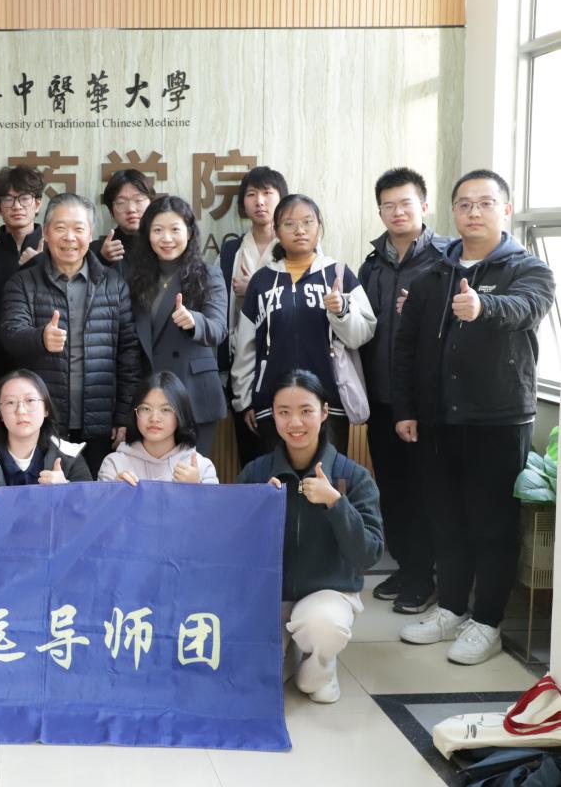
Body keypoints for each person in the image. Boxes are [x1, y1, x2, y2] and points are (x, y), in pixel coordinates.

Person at [395, 170, 555, 665]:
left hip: (499, 419)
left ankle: (487, 621)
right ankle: (450, 608)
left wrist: (484, 306)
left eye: (485, 203)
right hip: (439, 418)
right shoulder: (432, 274)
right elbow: (406, 346)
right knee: (446, 520)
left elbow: (528, 307)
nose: (473, 212)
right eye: (464, 204)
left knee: (492, 525)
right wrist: (406, 409)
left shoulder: (529, 268)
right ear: (453, 212)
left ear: (505, 210)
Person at [238, 370, 383, 704]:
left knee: (322, 629)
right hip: (270, 596)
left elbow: (369, 554)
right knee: (253, 683)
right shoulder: (257, 473)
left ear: (324, 411)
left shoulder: (351, 476)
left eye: (306, 410)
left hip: (328, 595)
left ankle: (320, 663)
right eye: (283, 412)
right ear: (273, 415)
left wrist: (336, 504)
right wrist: (257, 508)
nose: (295, 423)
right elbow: (232, 547)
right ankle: (287, 652)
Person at [0, 192, 141, 476]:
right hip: (44, 424)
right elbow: (10, 334)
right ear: (46, 232)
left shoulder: (113, 285)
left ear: (90, 234)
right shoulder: (23, 282)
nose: (69, 237)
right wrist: (40, 338)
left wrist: (124, 414)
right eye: (61, 228)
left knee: (96, 496)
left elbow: (128, 353)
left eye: (78, 228)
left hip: (100, 424)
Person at [358, 167, 448, 615]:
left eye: (405, 203)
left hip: (426, 402)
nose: (397, 212)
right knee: (392, 490)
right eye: (388, 205)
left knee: (424, 491)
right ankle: (407, 566)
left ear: (423, 206)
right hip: (381, 397)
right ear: (380, 212)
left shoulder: (445, 259)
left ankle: (423, 577)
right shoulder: (371, 264)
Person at [230, 193, 375, 457]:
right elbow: (245, 347)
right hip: (272, 403)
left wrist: (342, 310)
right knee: (277, 478)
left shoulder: (339, 274)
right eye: (290, 224)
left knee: (325, 477)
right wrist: (244, 400)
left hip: (328, 403)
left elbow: (363, 334)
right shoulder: (261, 281)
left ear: (319, 227)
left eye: (308, 222)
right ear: (276, 231)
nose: (300, 230)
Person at [127, 195, 227, 456]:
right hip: (149, 396)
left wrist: (195, 321)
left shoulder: (208, 274)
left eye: (175, 229)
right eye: (158, 230)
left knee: (191, 474)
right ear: (147, 234)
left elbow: (219, 328)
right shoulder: (135, 278)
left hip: (193, 393)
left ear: (189, 232)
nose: (166, 238)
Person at [218, 166, 288, 467]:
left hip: (284, 361)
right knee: (251, 458)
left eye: (268, 193)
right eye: (251, 194)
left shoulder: (294, 246)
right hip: (241, 364)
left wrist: (255, 288)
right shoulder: (231, 250)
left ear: (282, 198)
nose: (260, 201)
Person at [0, 368, 91, 494]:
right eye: (10, 402)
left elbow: (91, 505)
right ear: (0, 414)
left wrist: (67, 490)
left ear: (46, 409)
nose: (21, 411)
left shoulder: (70, 459)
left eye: (30, 400)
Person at [0, 165, 46, 389]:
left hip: (45, 364)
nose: (17, 206)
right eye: (8, 199)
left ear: (37, 203)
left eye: (24, 198)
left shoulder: (54, 253)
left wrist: (40, 264)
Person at [98, 371, 218, 485]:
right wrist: (115, 491)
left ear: (181, 413)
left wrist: (197, 488)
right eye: (146, 408)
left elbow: (212, 501)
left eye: (165, 409)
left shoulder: (201, 467)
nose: (154, 418)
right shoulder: (114, 464)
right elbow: (101, 500)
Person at [97, 169, 155, 272]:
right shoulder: (98, 251)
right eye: (121, 202)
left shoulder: (165, 243)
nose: (131, 209)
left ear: (151, 203)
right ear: (111, 211)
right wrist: (102, 260)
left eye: (138, 200)